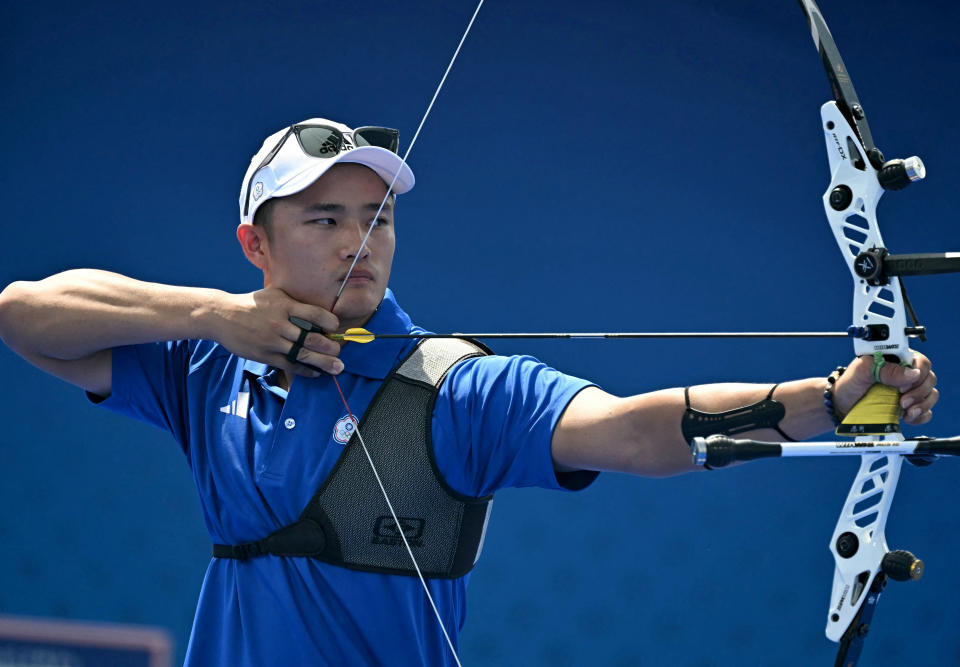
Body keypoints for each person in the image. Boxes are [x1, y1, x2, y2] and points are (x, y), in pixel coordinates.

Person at [0, 117, 938, 666]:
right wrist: (213, 316)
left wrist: (836, 396)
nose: (356, 241)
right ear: (257, 244)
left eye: (376, 217)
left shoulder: (449, 385)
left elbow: (631, 430)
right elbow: (24, 312)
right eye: (324, 218)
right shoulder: (202, 365)